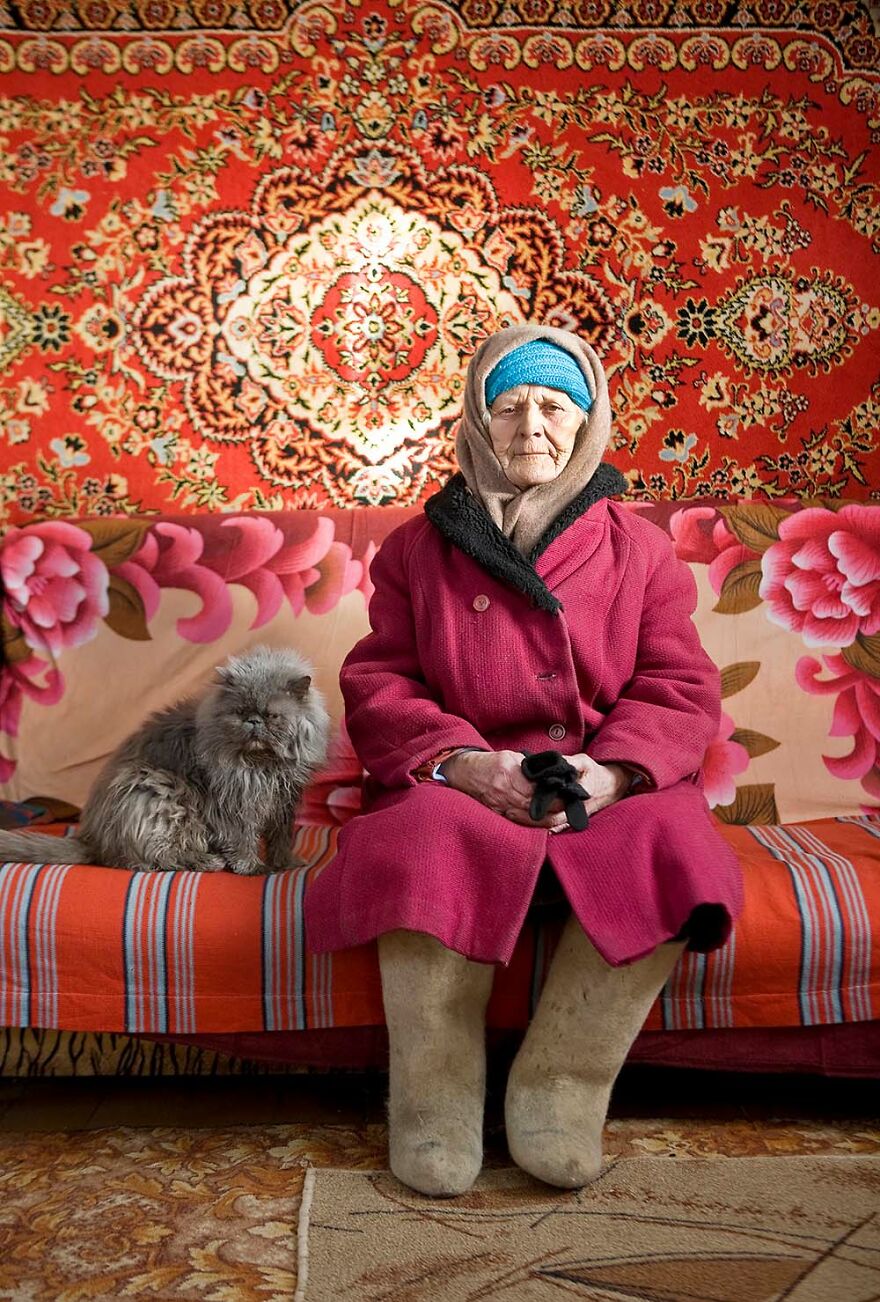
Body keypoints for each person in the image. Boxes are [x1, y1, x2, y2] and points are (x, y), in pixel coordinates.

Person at [305, 323, 743, 1197]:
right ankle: (434, 1097)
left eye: (554, 406)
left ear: (587, 421)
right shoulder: (416, 550)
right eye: (508, 407)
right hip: (466, 784)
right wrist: (465, 764)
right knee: (419, 837)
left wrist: (613, 773)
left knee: (674, 842)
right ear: (477, 419)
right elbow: (381, 682)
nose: (532, 426)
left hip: (602, 781)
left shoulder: (639, 550)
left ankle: (559, 1088)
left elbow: (679, 684)